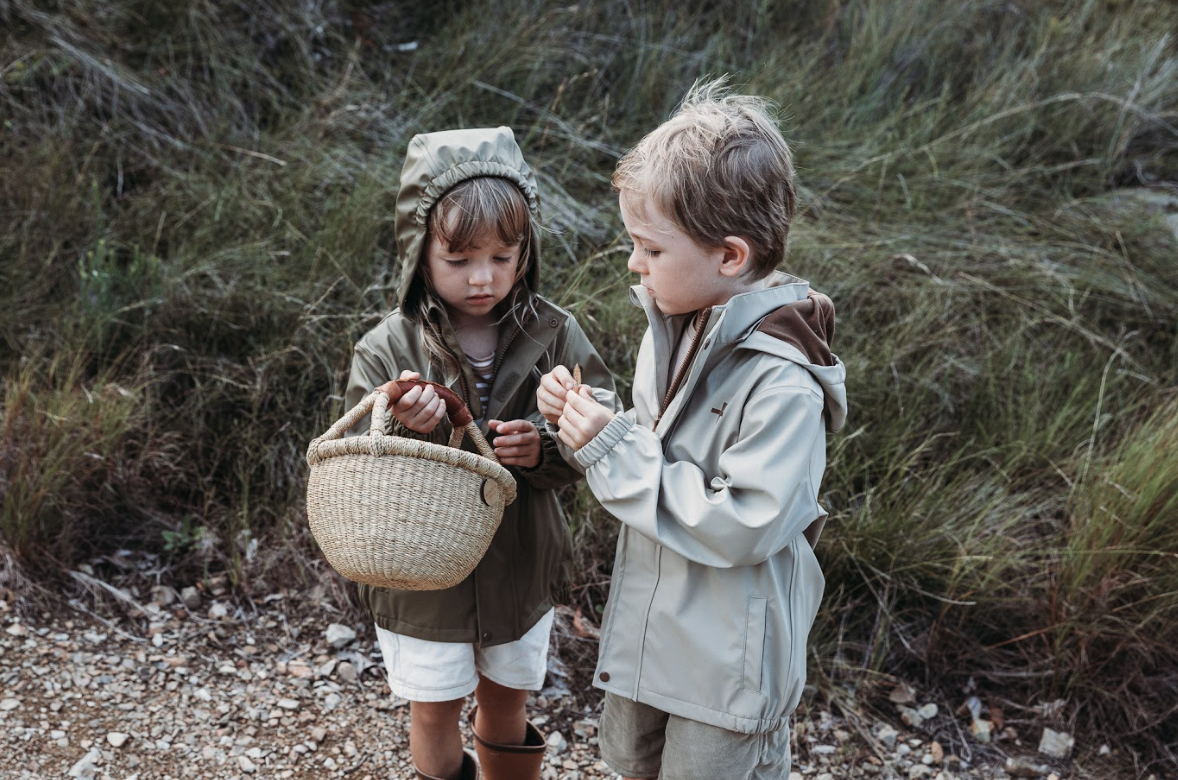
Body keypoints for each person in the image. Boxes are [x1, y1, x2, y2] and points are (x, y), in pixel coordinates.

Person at [536, 80, 848, 780]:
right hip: (653, 634)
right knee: (632, 766)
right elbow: (657, 447)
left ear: (729, 257)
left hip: (727, 669)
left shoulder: (783, 383)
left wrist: (610, 449)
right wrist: (586, 422)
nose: (633, 264)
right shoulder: (674, 326)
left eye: (649, 247)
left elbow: (742, 522)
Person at [344, 126, 618, 780]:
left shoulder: (556, 332)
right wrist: (409, 428)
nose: (482, 278)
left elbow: (607, 431)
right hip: (422, 576)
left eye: (503, 256)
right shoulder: (387, 346)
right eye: (460, 258)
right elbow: (358, 457)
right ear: (419, 250)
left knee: (505, 701)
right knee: (434, 708)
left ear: (527, 249)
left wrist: (546, 447)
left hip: (520, 564)